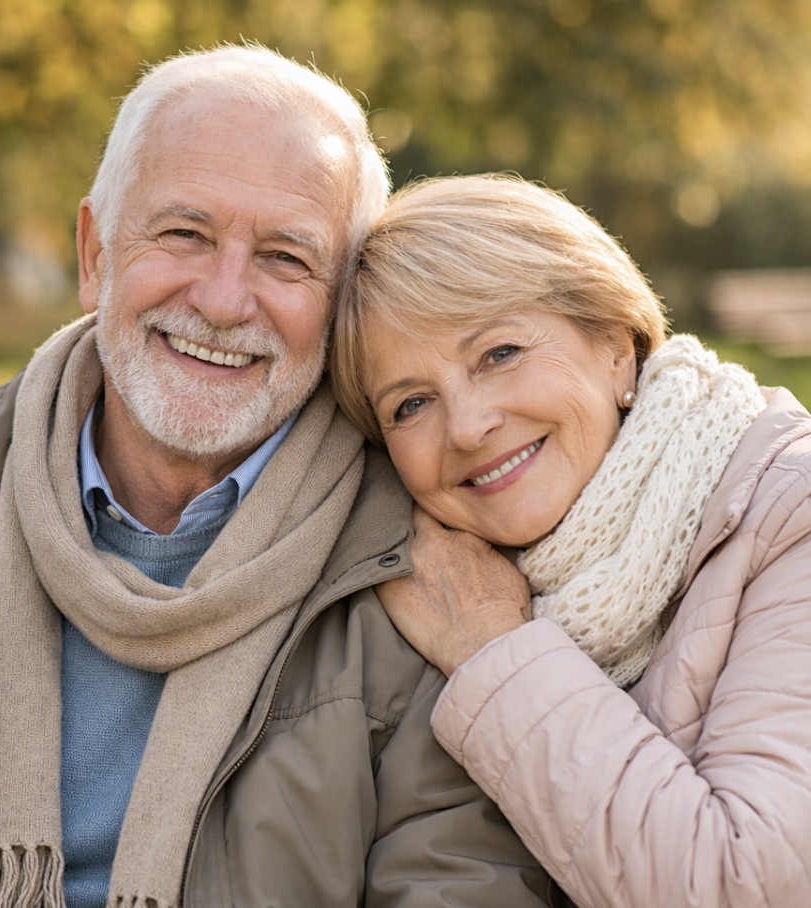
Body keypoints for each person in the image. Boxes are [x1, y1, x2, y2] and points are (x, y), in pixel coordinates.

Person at [0, 52, 566, 908]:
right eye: (184, 235)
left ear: (342, 302)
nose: (221, 299)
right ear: (95, 252)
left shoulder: (427, 575)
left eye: (285, 258)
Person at [332, 173, 811, 908]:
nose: (466, 427)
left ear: (617, 347)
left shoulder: (791, 514)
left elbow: (746, 884)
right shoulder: (427, 582)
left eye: (499, 354)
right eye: (412, 403)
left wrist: (495, 647)